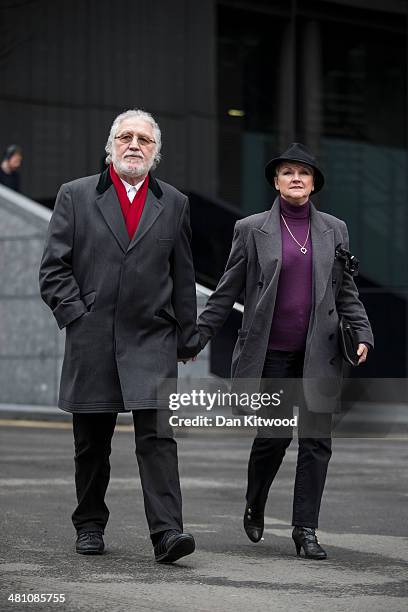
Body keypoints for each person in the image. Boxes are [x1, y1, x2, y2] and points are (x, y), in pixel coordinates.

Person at [197, 143, 373, 559]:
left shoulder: (335, 229)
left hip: (320, 353)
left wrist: (363, 331)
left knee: (316, 442)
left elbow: (345, 290)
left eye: (304, 173)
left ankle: (305, 530)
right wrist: (197, 336)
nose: (296, 178)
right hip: (272, 354)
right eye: (288, 172)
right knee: (273, 438)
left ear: (314, 184)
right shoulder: (250, 228)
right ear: (276, 182)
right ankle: (255, 501)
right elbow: (226, 292)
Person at [39, 109, 199, 563]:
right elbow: (53, 270)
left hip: (152, 338)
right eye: (126, 137)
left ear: (156, 152)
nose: (134, 145)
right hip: (93, 336)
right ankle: (89, 524)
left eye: (144, 140)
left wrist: (187, 336)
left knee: (158, 440)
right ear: (111, 146)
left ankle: (168, 533)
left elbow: (182, 275)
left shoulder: (175, 203)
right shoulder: (75, 195)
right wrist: (79, 315)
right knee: (92, 440)